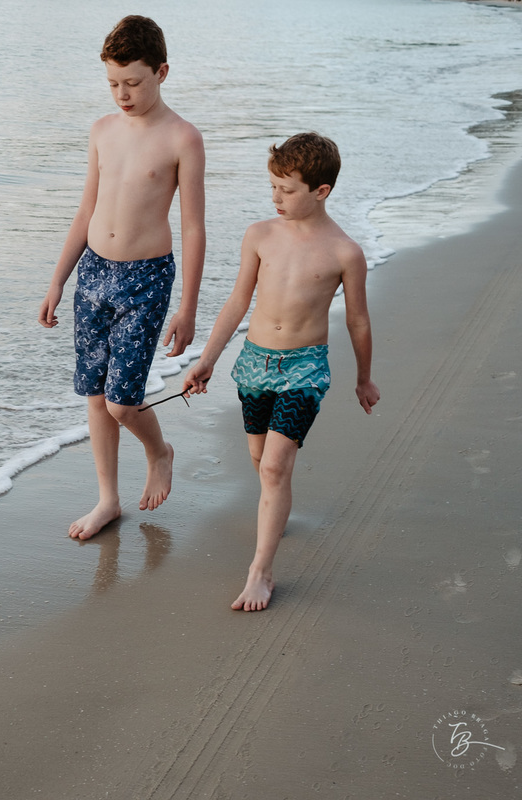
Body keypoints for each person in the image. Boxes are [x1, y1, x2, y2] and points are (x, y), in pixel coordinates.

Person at [182, 132, 380, 611]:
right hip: (254, 362)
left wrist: (363, 377)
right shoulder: (260, 235)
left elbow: (357, 319)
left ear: (321, 191)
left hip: (304, 369)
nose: (276, 199)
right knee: (260, 460)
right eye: (272, 187)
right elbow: (237, 301)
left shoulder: (344, 252)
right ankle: (279, 505)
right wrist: (206, 358)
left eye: (287, 190)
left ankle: (261, 572)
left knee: (273, 465)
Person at [38, 15, 205, 540]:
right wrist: (58, 280)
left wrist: (188, 307)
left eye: (133, 82)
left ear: (162, 71)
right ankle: (107, 498)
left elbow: (194, 229)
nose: (122, 94)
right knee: (93, 392)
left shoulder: (182, 138)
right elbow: (86, 209)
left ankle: (159, 451)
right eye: (113, 83)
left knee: (121, 400)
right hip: (92, 272)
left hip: (146, 281)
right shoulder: (102, 131)